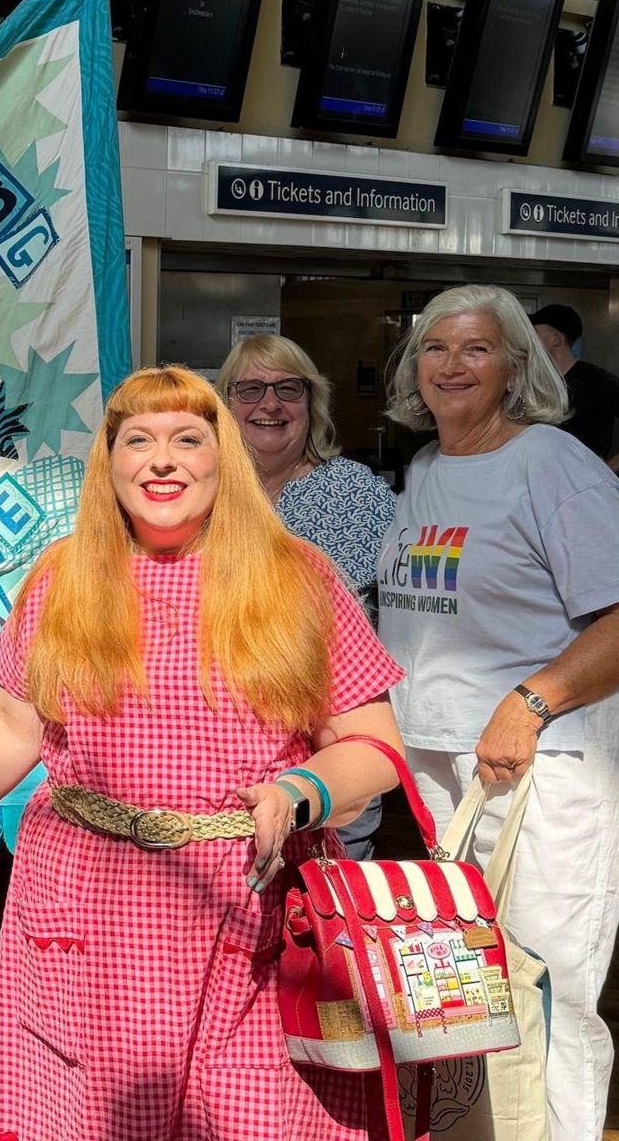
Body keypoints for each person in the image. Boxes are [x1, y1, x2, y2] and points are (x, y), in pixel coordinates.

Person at [0, 366, 409, 1138]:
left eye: (188, 438)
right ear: (108, 463)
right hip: (91, 901)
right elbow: (15, 723)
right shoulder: (63, 578)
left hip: (248, 907)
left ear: (225, 457)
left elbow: (376, 747)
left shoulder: (299, 580)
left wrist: (300, 789)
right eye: (137, 440)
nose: (162, 459)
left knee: (251, 1116)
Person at [377, 285, 619, 1141]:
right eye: (436, 348)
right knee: (474, 981)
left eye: (477, 348)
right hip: (448, 762)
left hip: (554, 756)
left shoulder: (551, 461)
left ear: (516, 366)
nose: (453, 365)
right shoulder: (429, 467)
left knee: (549, 981)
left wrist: (531, 699)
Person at [218, 334, 399, 858]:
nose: (269, 403)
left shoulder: (350, 489)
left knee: (325, 905)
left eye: (287, 389)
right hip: (223, 750)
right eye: (250, 388)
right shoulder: (204, 490)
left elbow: (349, 620)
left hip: (325, 742)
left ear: (311, 403)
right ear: (225, 405)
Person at [530, 303, 619, 475]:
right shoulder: (538, 381)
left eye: (535, 334)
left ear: (556, 339)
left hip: (580, 487)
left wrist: (608, 470)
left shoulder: (595, 380)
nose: (529, 341)